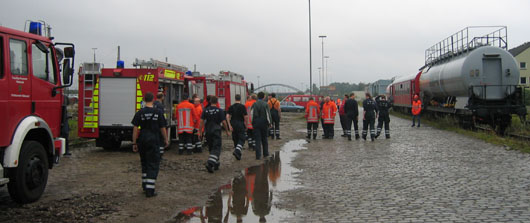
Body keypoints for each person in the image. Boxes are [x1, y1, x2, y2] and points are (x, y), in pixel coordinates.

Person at [131, 92, 168, 197]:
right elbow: (162, 128)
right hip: (154, 139)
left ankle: (144, 185)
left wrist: (134, 142)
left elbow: (135, 128)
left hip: (142, 139)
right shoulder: (158, 112)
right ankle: (150, 190)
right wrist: (166, 139)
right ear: (153, 100)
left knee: (144, 163)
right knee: (153, 164)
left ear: (144, 100)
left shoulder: (140, 112)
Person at [199, 96, 230, 173]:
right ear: (217, 102)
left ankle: (216, 163)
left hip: (208, 131)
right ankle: (210, 163)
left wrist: (200, 132)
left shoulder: (205, 110)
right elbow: (224, 122)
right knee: (216, 148)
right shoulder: (219, 110)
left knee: (211, 147)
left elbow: (201, 121)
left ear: (210, 102)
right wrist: (227, 131)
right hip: (216, 130)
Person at [227, 94, 248, 160]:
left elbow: (227, 116)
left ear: (235, 99)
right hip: (240, 123)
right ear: (240, 99)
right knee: (242, 138)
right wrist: (246, 124)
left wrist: (229, 125)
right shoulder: (242, 107)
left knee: (235, 138)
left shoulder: (231, 106)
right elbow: (246, 116)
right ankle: (237, 151)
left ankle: (238, 155)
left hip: (233, 123)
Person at [252, 92, 272, 160]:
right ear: (263, 97)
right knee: (264, 138)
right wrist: (270, 123)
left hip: (256, 122)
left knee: (257, 140)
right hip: (264, 123)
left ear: (258, 97)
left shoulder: (254, 104)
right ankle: (265, 154)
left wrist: (252, 122)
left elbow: (251, 114)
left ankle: (258, 156)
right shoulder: (265, 104)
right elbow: (268, 115)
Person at [153, 92, 168, 156]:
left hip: (153, 125)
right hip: (160, 125)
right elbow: (163, 116)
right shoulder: (161, 106)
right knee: (161, 140)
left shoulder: (153, 104)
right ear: (162, 97)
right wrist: (165, 123)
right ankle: (160, 154)